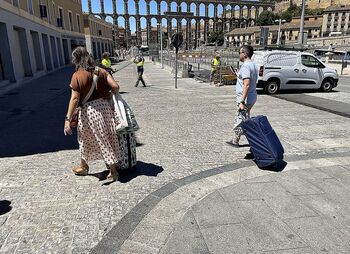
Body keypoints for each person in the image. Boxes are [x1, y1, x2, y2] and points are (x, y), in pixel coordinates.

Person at [64, 47, 121, 182]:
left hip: (89, 112)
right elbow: (116, 87)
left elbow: (75, 99)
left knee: (90, 138)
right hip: (105, 109)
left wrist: (68, 119)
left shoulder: (77, 75)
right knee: (105, 137)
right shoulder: (101, 71)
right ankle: (84, 166)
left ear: (76, 59)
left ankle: (113, 171)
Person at [231, 45, 258, 148]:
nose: (239, 55)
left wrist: (242, 101)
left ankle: (239, 141)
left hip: (245, 99)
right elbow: (249, 80)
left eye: (240, 53)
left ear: (245, 54)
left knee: (240, 120)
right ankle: (237, 140)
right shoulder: (254, 65)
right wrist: (239, 75)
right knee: (245, 119)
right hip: (252, 96)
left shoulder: (246, 66)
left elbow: (246, 84)